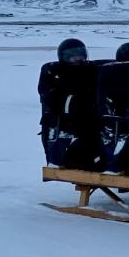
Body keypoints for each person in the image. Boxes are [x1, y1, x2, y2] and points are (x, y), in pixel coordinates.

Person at [38, 38, 103, 167]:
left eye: (80, 54)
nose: (77, 58)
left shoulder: (91, 70)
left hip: (88, 121)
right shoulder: (54, 72)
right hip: (65, 122)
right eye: (72, 55)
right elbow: (49, 97)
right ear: (64, 56)